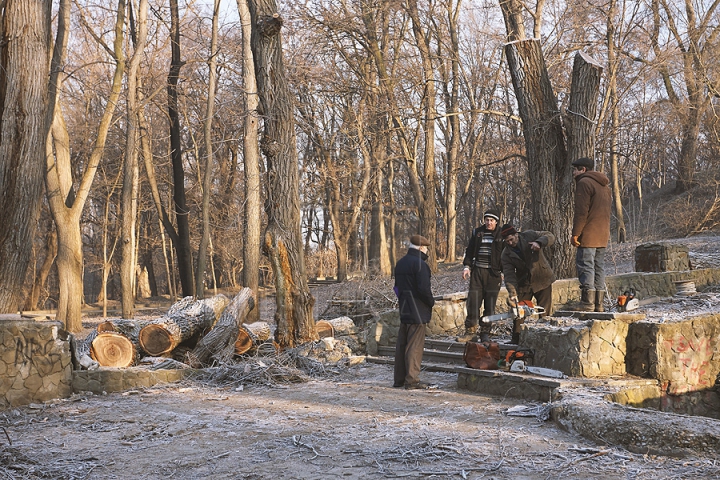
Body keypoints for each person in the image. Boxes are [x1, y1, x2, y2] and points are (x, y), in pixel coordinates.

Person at [393, 234, 437, 390]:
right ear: (421, 248)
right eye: (426, 249)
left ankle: (399, 379)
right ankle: (411, 380)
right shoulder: (420, 265)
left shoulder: (400, 263)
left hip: (404, 306)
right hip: (418, 309)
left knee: (402, 344)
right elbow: (424, 289)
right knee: (415, 346)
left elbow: (396, 287)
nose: (427, 253)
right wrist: (431, 302)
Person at [500, 224, 556, 344]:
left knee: (544, 311)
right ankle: (516, 339)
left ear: (516, 235)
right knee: (519, 312)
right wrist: (512, 293)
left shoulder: (529, 235)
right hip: (524, 283)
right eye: (507, 241)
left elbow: (550, 236)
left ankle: (545, 338)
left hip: (542, 278)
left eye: (511, 239)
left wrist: (539, 243)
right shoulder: (506, 254)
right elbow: (509, 275)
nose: (510, 243)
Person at [571, 157, 612, 312]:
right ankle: (598, 304)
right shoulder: (605, 187)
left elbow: (581, 213)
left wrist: (576, 234)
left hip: (589, 234)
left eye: (576, 169)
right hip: (602, 234)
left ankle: (587, 303)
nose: (574, 173)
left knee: (585, 265)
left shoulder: (584, 183)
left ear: (584, 170)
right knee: (598, 267)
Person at [458, 209, 504, 343]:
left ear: (496, 222)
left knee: (490, 305)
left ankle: (485, 332)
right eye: (487, 220)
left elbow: (506, 255)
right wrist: (467, 267)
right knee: (473, 302)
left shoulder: (501, 235)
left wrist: (504, 271)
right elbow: (469, 251)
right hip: (478, 272)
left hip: (493, 274)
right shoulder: (478, 233)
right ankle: (470, 331)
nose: (489, 223)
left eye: (491, 220)